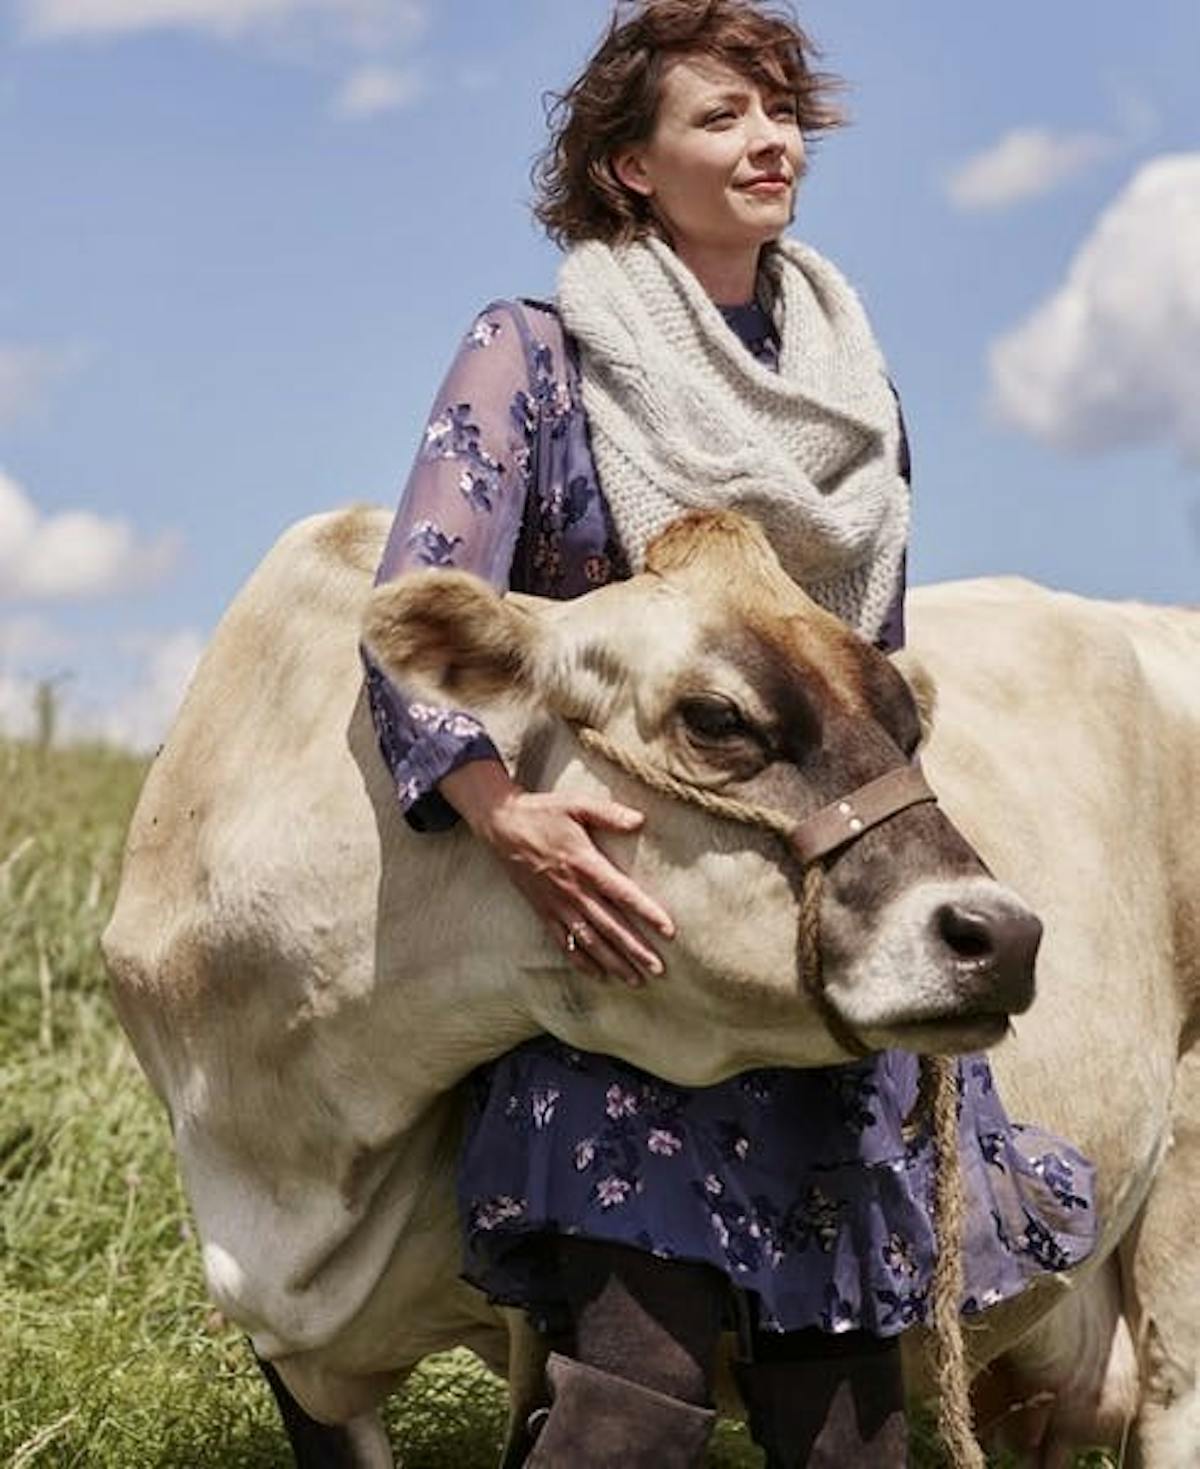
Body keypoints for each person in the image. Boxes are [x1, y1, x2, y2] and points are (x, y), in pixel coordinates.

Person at [367, 2, 1097, 1463]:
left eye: (779, 113)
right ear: (631, 168)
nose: (770, 140)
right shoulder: (535, 356)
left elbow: (867, 673)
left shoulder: (853, 396)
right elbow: (411, 618)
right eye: (721, 116)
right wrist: (507, 815)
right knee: (621, 1419)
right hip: (625, 954)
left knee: (850, 1433)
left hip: (828, 961)